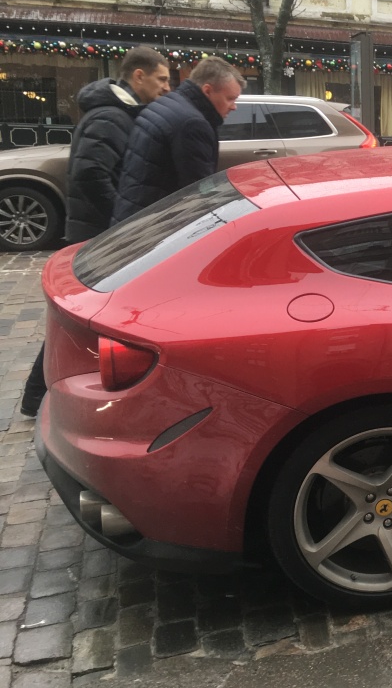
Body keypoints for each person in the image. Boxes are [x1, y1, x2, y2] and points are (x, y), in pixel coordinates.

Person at [20, 47, 171, 417]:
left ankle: (38, 396)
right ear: (138, 76)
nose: (167, 87)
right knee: (78, 323)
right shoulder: (109, 116)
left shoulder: (120, 115)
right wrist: (122, 219)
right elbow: (90, 172)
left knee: (82, 322)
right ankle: (37, 396)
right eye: (162, 79)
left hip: (100, 231)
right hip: (97, 234)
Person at [113, 57, 244, 225]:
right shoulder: (192, 124)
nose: (234, 106)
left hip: (132, 218)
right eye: (230, 98)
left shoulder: (167, 104)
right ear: (207, 90)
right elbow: (199, 190)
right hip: (154, 228)